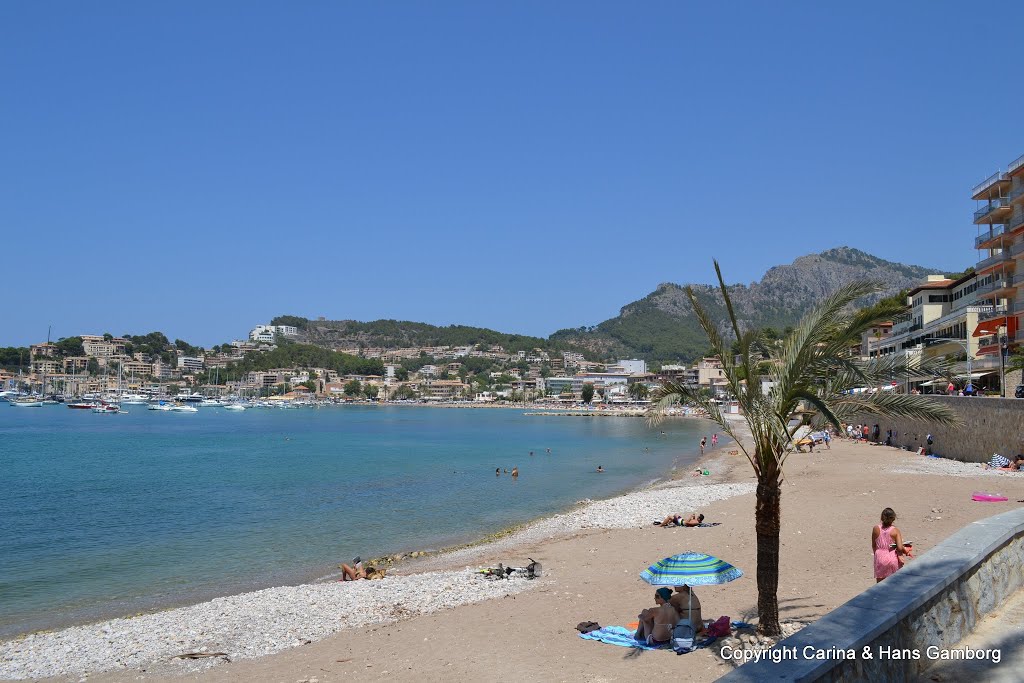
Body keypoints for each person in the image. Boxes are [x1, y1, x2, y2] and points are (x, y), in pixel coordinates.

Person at [872, 507, 908, 582]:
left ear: (881, 517)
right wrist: (905, 549)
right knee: (894, 583)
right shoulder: (895, 530)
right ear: (893, 519)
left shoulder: (876, 529)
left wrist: (877, 555)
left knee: (880, 585)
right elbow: (900, 547)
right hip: (892, 557)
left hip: (879, 557)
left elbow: (874, 545)